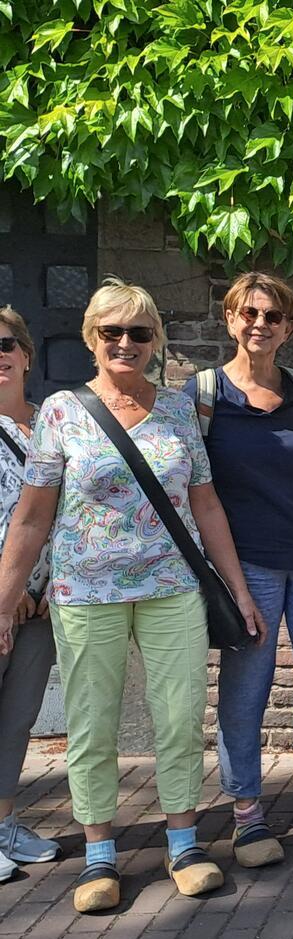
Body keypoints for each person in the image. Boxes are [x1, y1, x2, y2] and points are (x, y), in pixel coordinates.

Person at [0, 279, 262, 911]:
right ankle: (99, 856)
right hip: (86, 590)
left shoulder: (177, 411)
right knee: (93, 724)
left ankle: (183, 843)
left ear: (154, 342)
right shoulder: (62, 413)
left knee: (178, 716)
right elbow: (32, 519)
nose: (125, 343)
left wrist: (237, 588)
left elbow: (205, 503)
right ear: (92, 339)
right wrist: (4, 601)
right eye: (112, 332)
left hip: (172, 586)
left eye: (139, 333)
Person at [185, 271, 293, 869]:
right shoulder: (203, 394)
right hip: (247, 564)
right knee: (246, 691)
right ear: (231, 319)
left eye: (273, 316)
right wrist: (227, 579)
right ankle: (248, 817)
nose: (260, 324)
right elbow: (193, 491)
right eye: (248, 313)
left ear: (288, 328)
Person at [0, 307, 58, 884]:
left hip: (45, 601)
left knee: (18, 718)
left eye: (5, 344)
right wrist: (7, 587)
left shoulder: (51, 422)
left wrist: (44, 583)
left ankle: (4, 822)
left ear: (24, 354)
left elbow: (67, 514)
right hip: (1, 597)